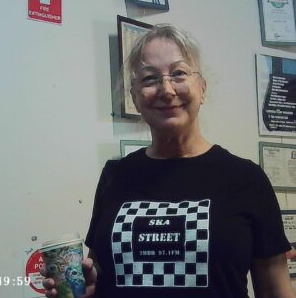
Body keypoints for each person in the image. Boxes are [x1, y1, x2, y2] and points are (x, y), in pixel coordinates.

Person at [42, 24, 296, 298]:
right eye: (150, 78)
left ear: (202, 88)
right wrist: (89, 285)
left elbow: (275, 290)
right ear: (135, 98)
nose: (166, 89)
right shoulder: (116, 176)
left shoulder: (246, 178)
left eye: (179, 73)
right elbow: (102, 269)